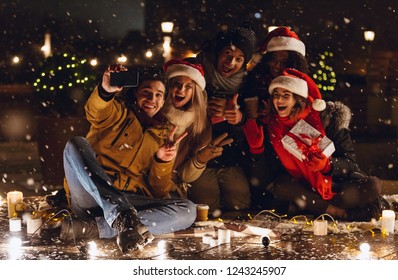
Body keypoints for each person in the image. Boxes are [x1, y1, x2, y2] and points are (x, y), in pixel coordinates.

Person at [59, 66, 196, 254]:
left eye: (158, 95)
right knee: (75, 144)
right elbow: (95, 110)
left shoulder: (164, 135)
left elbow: (159, 191)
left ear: (164, 100)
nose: (152, 100)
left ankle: (95, 227)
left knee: (188, 210)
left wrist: (162, 161)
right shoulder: (117, 113)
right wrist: (106, 91)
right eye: (146, 93)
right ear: (135, 94)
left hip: (129, 200)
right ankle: (121, 218)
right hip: (92, 194)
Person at [243, 68, 389, 221]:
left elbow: (350, 163)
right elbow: (264, 179)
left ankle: (321, 208)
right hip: (304, 190)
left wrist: (327, 165)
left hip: (337, 187)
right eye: (276, 95)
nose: (279, 100)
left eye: (286, 95)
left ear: (298, 99)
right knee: (281, 185)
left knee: (373, 185)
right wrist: (256, 150)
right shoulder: (273, 128)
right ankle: (338, 212)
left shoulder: (328, 120)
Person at [188, 24, 257, 214]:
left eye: (239, 59)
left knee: (239, 205)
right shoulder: (196, 72)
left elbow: (254, 121)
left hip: (231, 157)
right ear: (218, 51)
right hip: (198, 155)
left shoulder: (247, 82)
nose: (231, 62)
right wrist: (202, 108)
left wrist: (239, 117)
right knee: (206, 208)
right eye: (227, 54)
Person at [161, 58, 233, 198]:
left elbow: (185, 176)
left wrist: (200, 159)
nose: (182, 90)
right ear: (168, 86)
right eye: (177, 84)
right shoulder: (155, 112)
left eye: (189, 86)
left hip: (172, 188)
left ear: (195, 92)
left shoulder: (199, 124)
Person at [242, 26, 308, 121]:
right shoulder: (254, 79)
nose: (277, 65)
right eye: (273, 59)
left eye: (284, 62)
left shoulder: (302, 87)